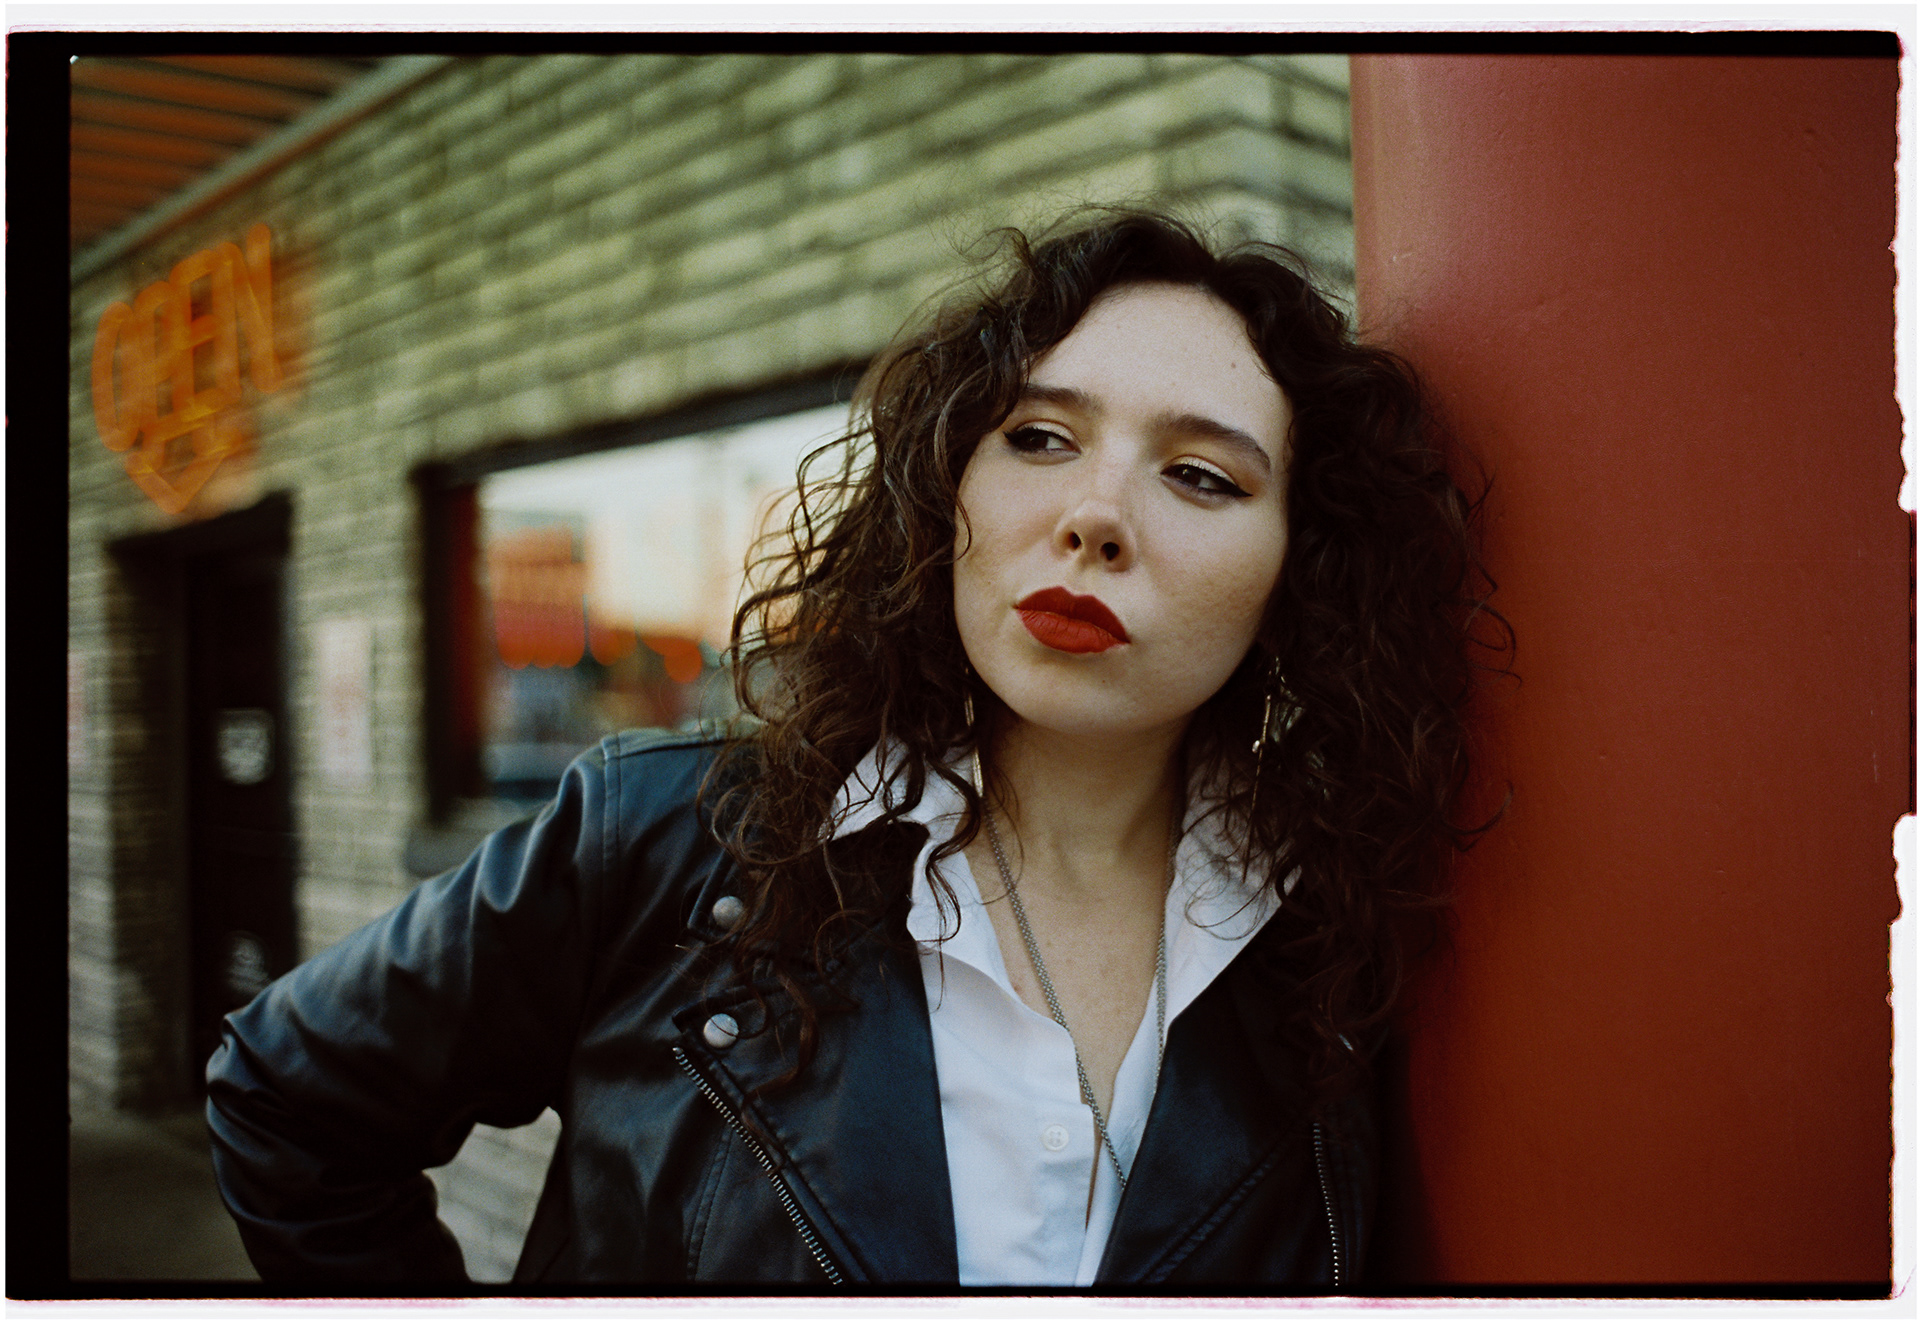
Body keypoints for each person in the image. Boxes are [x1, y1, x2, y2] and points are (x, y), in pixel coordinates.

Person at [207, 209, 1501, 1288]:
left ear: (1298, 572)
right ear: (947, 491)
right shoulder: (665, 839)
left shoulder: (1329, 935)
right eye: (1038, 438)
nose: (1095, 515)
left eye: (1203, 476)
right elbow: (284, 1097)